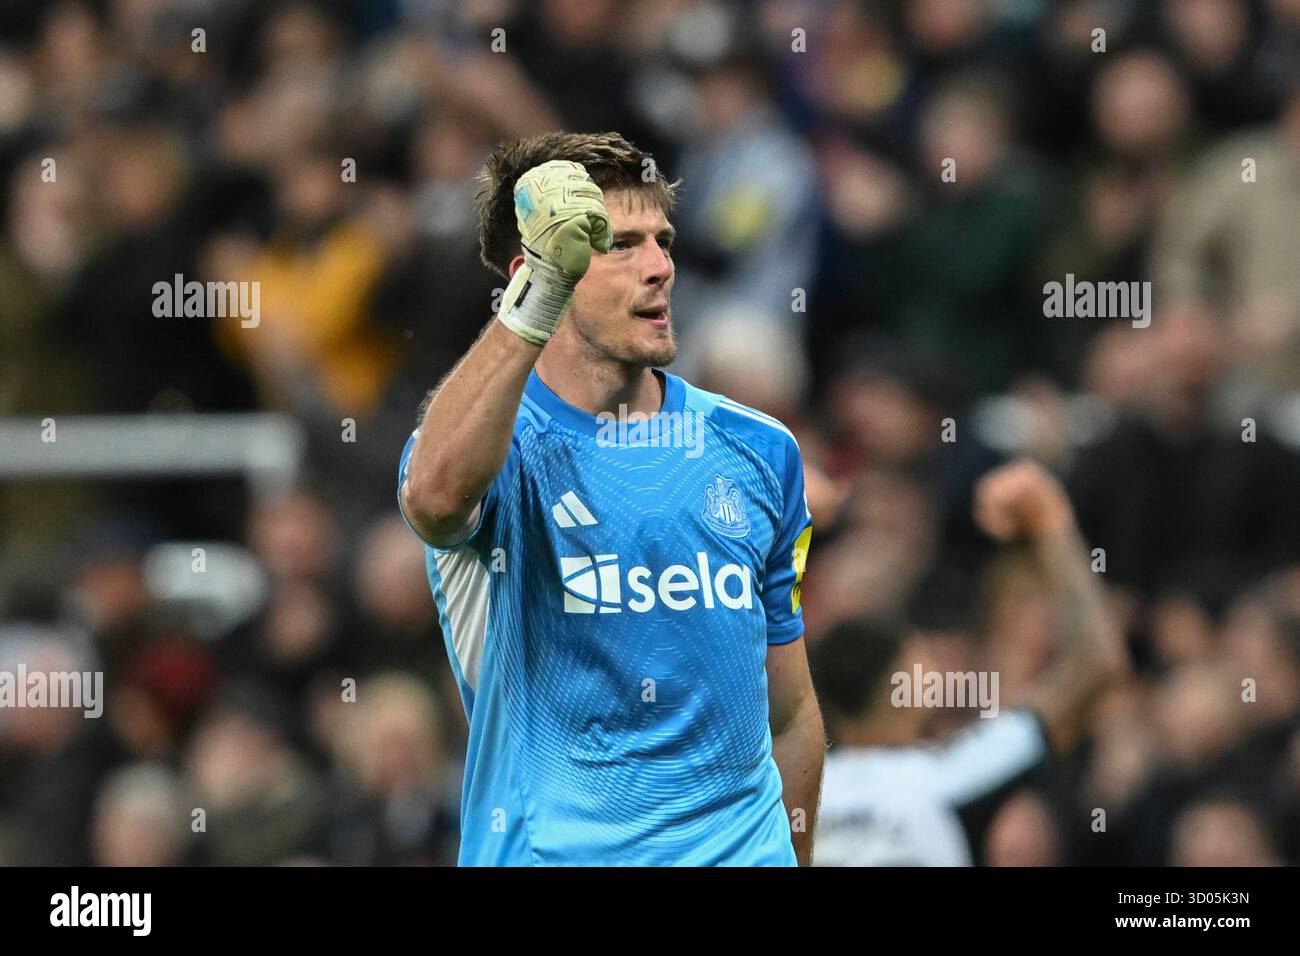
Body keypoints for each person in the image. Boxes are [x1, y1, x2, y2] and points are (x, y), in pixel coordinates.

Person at [396, 132, 824, 866]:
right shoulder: (495, 449)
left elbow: (789, 715)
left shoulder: (760, 450)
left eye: (663, 240)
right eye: (620, 245)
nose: (660, 268)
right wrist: (534, 305)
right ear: (536, 275)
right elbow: (432, 497)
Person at [813, 460, 1128, 865]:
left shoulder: (782, 794)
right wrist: (1050, 521)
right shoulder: (951, 776)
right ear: (903, 689)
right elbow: (1097, 666)